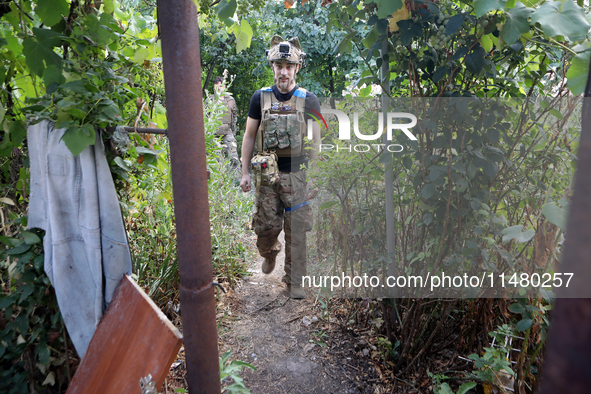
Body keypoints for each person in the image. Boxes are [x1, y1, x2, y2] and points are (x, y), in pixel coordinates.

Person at [240, 35, 320, 298]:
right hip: (266, 176)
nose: (283, 72)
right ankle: (269, 252)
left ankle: (295, 281)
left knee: (297, 230)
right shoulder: (259, 98)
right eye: (278, 66)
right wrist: (244, 173)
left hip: (297, 175)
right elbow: (249, 136)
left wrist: (315, 178)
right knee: (265, 228)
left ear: (297, 68)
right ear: (272, 67)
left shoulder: (309, 100)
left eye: (289, 67)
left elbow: (316, 141)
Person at [212, 76, 240, 167]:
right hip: (214, 133)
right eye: (216, 86)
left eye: (220, 86)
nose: (218, 88)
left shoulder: (230, 100)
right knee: (215, 160)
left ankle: (237, 178)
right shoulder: (210, 100)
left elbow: (234, 116)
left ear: (224, 86)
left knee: (234, 156)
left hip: (227, 131)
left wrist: (233, 131)